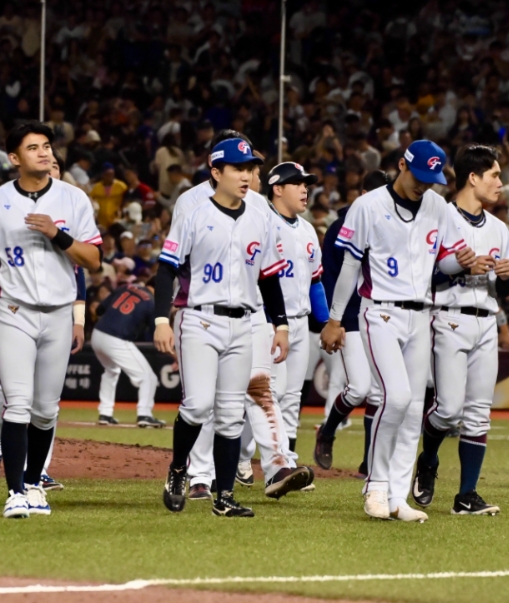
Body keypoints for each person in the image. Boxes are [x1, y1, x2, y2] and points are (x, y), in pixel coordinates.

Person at [321, 139, 475, 523]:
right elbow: (349, 269)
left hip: (421, 315)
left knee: (413, 410)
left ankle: (396, 496)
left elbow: (447, 261)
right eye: (421, 176)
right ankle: (374, 485)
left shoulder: (438, 206)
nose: (426, 184)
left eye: (433, 178)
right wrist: (336, 318)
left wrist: (464, 262)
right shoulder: (368, 205)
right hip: (380, 313)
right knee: (397, 396)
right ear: (403, 166)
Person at [0, 121, 101, 519]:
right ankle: (15, 491)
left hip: (57, 314)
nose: (44, 153)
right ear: (14, 158)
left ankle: (35, 484)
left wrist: (59, 235)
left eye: (47, 146)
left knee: (46, 410)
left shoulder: (73, 199)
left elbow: (93, 260)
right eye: (33, 147)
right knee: (17, 404)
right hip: (15, 312)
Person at [154, 137, 291, 518]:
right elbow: (166, 268)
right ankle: (179, 469)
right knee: (197, 405)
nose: (246, 175)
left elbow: (268, 275)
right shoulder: (195, 213)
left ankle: (224, 496)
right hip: (199, 318)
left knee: (232, 414)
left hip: (244, 322)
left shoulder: (261, 213)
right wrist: (162, 318)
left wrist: (280, 323)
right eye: (237, 168)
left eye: (249, 168)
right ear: (216, 173)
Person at [413, 145, 509, 516]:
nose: (500, 183)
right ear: (472, 178)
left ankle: (466, 495)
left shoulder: (499, 228)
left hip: (486, 321)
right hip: (449, 317)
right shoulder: (439, 217)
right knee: (447, 411)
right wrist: (457, 267)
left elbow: (508, 287)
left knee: (478, 414)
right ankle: (427, 459)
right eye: (494, 175)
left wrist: (504, 278)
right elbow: (422, 272)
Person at [0, 156, 85, 493]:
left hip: (57, 313)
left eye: (54, 171)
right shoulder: (10, 213)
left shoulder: (70, 212)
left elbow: (79, 273)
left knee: (46, 403)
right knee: (12, 393)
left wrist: (79, 320)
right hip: (13, 309)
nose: (48, 176)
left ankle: (37, 471)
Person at [252, 161, 328, 488]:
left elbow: (316, 282)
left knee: (293, 396)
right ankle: (249, 459)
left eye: (306, 183)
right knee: (273, 393)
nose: (304, 188)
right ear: (277, 188)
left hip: (300, 322)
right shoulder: (263, 223)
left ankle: (289, 462)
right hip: (270, 323)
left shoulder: (308, 229)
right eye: (296, 183)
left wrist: (326, 323)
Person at [314, 171, 388, 477]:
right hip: (351, 315)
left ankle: (369, 463)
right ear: (363, 195)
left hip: (382, 314)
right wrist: (335, 320)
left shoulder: (392, 226)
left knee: (380, 393)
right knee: (358, 388)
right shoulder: (340, 228)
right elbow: (330, 277)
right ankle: (328, 430)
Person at [93, 282, 165, 427]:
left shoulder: (126, 286)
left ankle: (105, 413)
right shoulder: (151, 302)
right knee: (148, 378)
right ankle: (144, 414)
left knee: (111, 371)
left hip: (97, 334)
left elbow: (99, 310)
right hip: (116, 339)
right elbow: (156, 335)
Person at [90, 163, 128, 228]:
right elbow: (91, 199)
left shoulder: (121, 186)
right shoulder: (96, 187)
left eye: (112, 174)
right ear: (103, 175)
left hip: (116, 219)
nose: (110, 176)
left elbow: (126, 199)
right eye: (107, 174)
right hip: (100, 220)